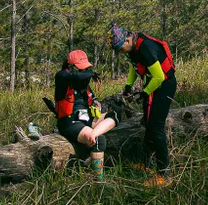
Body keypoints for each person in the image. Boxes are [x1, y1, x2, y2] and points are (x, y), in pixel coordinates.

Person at [109, 24, 176, 187]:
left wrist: (144, 93)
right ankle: (147, 164)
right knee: (147, 123)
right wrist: (128, 86)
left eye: (120, 48)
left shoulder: (145, 47)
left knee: (156, 127)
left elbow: (159, 76)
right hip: (153, 86)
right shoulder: (133, 47)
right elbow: (135, 66)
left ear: (127, 39)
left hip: (164, 86)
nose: (120, 52)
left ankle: (164, 174)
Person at [53, 50, 118, 179]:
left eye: (86, 68)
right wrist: (91, 74)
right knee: (99, 141)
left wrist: (95, 104)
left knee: (115, 114)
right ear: (71, 66)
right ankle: (98, 180)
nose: (84, 71)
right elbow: (76, 77)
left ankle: (93, 135)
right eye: (81, 68)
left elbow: (91, 98)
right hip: (70, 122)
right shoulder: (62, 77)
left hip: (87, 119)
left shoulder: (84, 83)